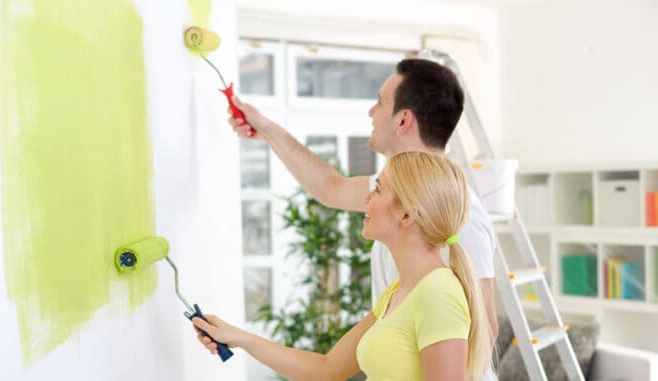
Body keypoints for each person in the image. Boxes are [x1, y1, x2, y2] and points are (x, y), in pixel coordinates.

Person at [229, 58, 499, 346]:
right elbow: (332, 188)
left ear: (403, 120)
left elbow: (486, 328)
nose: (371, 112)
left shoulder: (460, 216)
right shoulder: (394, 191)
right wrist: (267, 129)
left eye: (379, 103)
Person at [194, 151, 493, 380]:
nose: (366, 198)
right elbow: (326, 369)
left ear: (406, 215)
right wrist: (239, 337)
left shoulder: (438, 294)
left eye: (378, 189)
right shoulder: (398, 294)